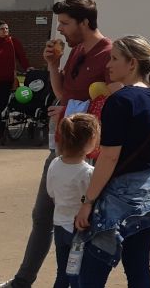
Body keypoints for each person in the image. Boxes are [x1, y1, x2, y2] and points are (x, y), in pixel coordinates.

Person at [0, 0, 112, 288]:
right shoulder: (76, 51)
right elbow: (64, 92)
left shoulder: (109, 54)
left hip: (90, 154)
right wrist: (53, 65)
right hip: (62, 147)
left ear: (85, 23)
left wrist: (75, 111)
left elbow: (112, 102)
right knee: (42, 215)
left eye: (65, 23)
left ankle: (69, 283)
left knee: (80, 225)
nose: (60, 29)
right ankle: (22, 281)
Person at [73, 35, 150, 288]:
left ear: (132, 63)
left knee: (91, 271)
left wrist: (88, 202)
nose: (108, 64)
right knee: (138, 267)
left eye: (114, 58)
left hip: (118, 199)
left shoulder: (120, 101)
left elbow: (109, 157)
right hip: (149, 197)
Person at [46, 113, 99, 288]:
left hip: (60, 225)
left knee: (62, 272)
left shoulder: (54, 163)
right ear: (91, 139)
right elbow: (92, 200)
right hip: (79, 230)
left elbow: (51, 192)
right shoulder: (88, 172)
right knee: (78, 274)